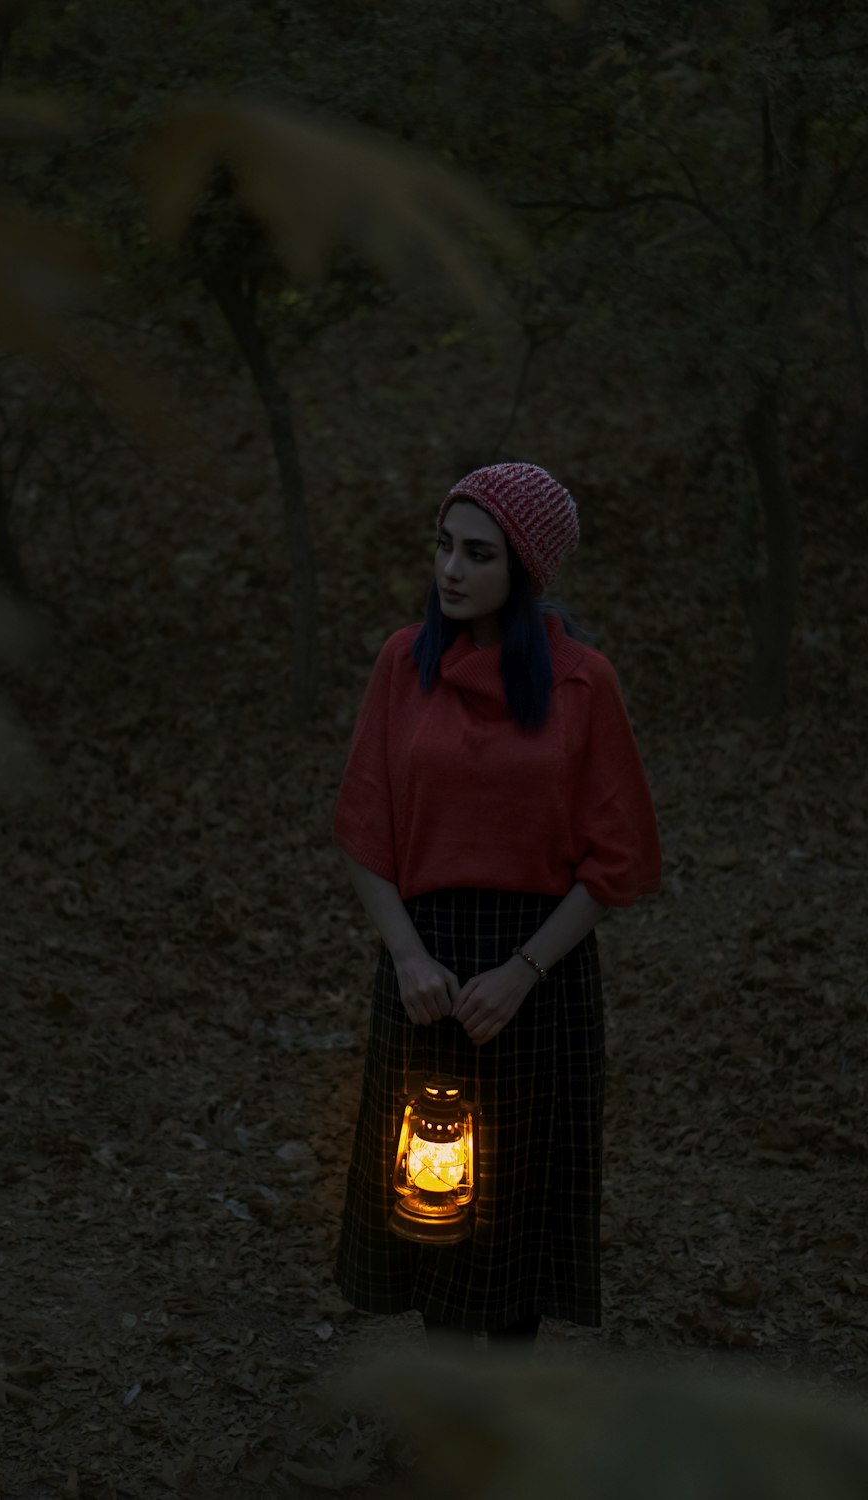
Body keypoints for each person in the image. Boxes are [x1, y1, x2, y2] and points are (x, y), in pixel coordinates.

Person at [331, 461, 661, 1351]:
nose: (451, 570)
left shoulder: (582, 683)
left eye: (479, 553)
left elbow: (616, 860)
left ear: (526, 568)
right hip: (426, 961)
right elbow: (365, 828)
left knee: (519, 1205)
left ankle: (508, 1429)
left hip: (537, 968)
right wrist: (407, 958)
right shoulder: (404, 663)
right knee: (430, 1211)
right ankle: (444, 1425)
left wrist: (522, 973)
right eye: (444, 546)